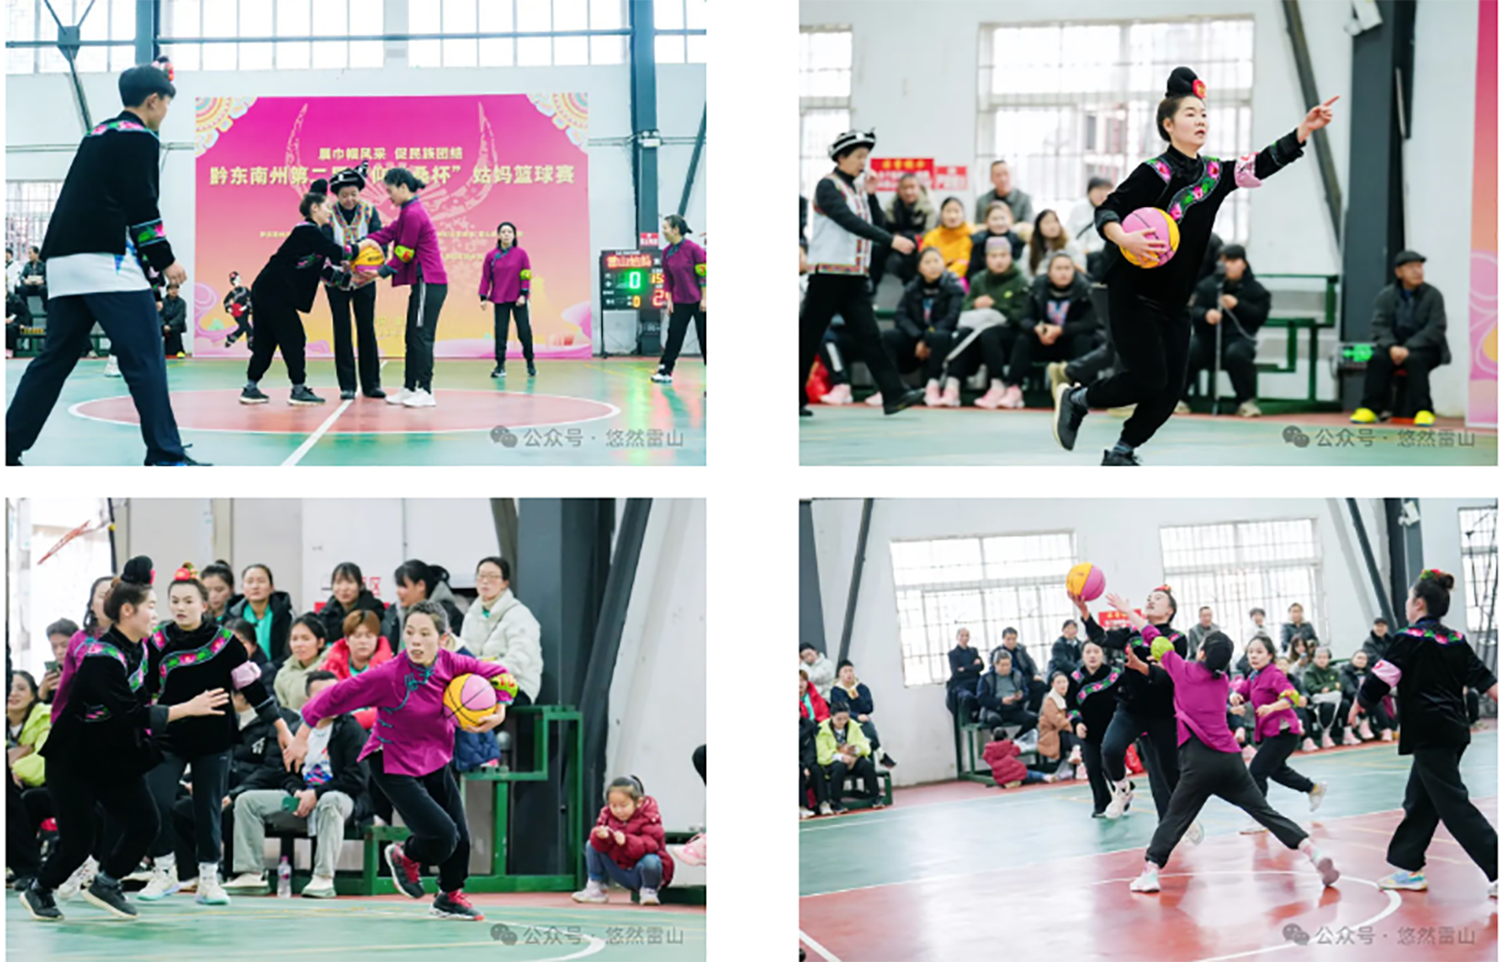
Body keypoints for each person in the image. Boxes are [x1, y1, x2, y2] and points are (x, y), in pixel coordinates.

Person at [1052, 66, 1335, 465]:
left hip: (1175, 302)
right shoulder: (1153, 173)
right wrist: (1123, 237)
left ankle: (1122, 451)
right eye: (1190, 113)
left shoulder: (1215, 174)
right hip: (1133, 294)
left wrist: (1302, 132)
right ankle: (1079, 399)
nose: (1201, 120)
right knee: (1148, 379)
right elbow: (1108, 209)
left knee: (1169, 391)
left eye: (1204, 114)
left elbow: (1259, 164)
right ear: (1168, 125)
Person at [5, 59, 203, 467]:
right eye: (167, 104)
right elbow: (142, 205)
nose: (166, 112)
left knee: (53, 360)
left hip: (62, 263)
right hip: (106, 261)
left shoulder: (95, 134)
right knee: (145, 359)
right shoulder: (141, 138)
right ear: (153, 100)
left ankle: (7, 445)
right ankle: (165, 453)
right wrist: (165, 260)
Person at [19, 558, 230, 923]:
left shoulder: (142, 649)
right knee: (79, 842)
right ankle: (40, 888)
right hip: (73, 760)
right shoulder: (100, 658)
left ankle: (106, 883)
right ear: (128, 610)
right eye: (152, 606)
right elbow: (132, 713)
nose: (157, 614)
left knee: (146, 822)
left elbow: (153, 693)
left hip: (113, 756)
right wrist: (188, 708)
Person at [283, 600, 516, 920]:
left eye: (424, 634)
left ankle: (449, 897)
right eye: (410, 632)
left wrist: (499, 711)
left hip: (435, 759)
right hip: (391, 761)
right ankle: (404, 855)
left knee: (460, 839)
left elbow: (502, 676)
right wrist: (302, 735)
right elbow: (336, 695)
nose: (415, 641)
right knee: (442, 835)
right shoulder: (390, 675)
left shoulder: (454, 664)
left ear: (443, 638)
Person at [1113, 616, 1342, 894]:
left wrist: (1127, 610)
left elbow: (1155, 638)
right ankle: (1313, 852)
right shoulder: (1222, 681)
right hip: (1231, 761)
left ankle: (1150, 873)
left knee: (1174, 817)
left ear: (1201, 653)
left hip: (1199, 762)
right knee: (1265, 812)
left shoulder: (1184, 671)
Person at [138, 568, 293, 905]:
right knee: (154, 799)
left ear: (204, 605)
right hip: (169, 737)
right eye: (175, 601)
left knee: (207, 807)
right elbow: (147, 690)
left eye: (188, 601)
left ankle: (209, 878)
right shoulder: (157, 642)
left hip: (214, 739)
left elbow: (253, 688)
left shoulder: (225, 643)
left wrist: (281, 727)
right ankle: (164, 870)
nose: (181, 607)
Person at [1350, 569, 1499, 896]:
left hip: (1430, 733)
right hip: (1453, 731)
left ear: (1418, 603)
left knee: (1453, 804)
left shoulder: (1408, 638)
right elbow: (1487, 681)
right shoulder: (1456, 640)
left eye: (1409, 599)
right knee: (1419, 799)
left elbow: (1382, 677)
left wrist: (1359, 703)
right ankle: (1409, 868)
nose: (1406, 604)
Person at [799, 129, 924, 417]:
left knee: (870, 335)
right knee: (809, 337)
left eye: (865, 157)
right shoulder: (827, 186)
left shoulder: (857, 191)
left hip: (854, 277)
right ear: (841, 158)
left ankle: (894, 394)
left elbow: (877, 223)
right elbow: (848, 222)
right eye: (858, 157)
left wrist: (872, 196)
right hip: (828, 276)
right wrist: (891, 241)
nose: (863, 163)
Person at [225, 671, 368, 899]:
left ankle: (323, 877)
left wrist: (316, 794)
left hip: (341, 802)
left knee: (330, 800)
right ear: (308, 700)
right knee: (247, 801)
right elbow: (286, 773)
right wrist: (297, 791)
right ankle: (251, 874)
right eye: (323, 695)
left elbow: (356, 779)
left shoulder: (350, 730)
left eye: (336, 693)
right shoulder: (297, 730)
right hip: (301, 800)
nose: (332, 699)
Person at [1076, 586, 1196, 832]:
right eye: (1149, 598)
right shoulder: (1131, 634)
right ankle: (1122, 789)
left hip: (1163, 715)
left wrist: (1148, 667)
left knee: (1168, 775)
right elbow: (1100, 638)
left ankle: (1178, 823)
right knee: (1110, 749)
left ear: (1170, 610)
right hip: (1130, 709)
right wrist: (1085, 612)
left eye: (1158, 598)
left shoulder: (1177, 639)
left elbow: (1171, 677)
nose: (1151, 600)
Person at [240, 179, 368, 406]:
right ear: (315, 208)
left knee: (266, 341)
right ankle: (298, 390)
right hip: (273, 293)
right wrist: (364, 248)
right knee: (294, 338)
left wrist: (351, 280)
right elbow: (336, 252)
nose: (330, 212)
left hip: (265, 290)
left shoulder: (312, 237)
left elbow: (323, 270)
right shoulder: (307, 231)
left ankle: (251, 387)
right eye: (326, 207)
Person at [355, 168, 447, 408]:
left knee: (422, 337)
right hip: (421, 284)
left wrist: (380, 272)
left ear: (403, 187)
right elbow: (388, 233)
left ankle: (425, 390)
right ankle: (409, 387)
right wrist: (361, 244)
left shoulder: (414, 214)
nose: (389, 196)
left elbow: (404, 252)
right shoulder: (408, 212)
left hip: (430, 282)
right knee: (411, 336)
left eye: (390, 191)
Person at [1232, 636, 1327, 834]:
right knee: (1276, 771)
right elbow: (1242, 692)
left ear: (1270, 655)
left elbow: (1293, 696)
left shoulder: (1274, 674)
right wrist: (1235, 698)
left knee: (1256, 771)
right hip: (1270, 732)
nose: (1254, 656)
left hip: (1284, 732)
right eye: (1251, 652)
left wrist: (1272, 707)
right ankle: (1313, 788)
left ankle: (1260, 817)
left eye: (1259, 652)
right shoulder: (1254, 675)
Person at [1351, 251, 1449, 427]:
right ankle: (1370, 408)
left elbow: (1436, 328)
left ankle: (1424, 410)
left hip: (1425, 348)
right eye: (1411, 267)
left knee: (1415, 360)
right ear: (1399, 272)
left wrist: (1409, 347)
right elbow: (1379, 326)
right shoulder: (1386, 296)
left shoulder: (1433, 295)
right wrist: (1392, 346)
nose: (1417, 271)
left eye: (1419, 267)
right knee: (1378, 359)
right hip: (1393, 348)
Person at [318, 161, 385, 399]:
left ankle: (372, 384)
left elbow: (380, 240)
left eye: (354, 194)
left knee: (366, 328)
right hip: (336, 280)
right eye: (344, 195)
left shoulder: (369, 211)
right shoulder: (328, 214)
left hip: (365, 279)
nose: (350, 199)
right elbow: (324, 245)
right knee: (342, 329)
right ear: (336, 195)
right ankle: (347, 385)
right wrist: (342, 262)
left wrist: (370, 264)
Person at [1182, 244, 1269, 417]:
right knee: (1189, 350)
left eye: (1233, 261)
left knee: (1237, 355)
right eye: (1224, 262)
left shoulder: (1256, 290)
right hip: (1208, 338)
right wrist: (1206, 315)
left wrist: (1238, 305)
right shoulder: (1207, 286)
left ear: (1244, 263)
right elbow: (1192, 310)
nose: (1228, 266)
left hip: (1239, 339)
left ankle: (1246, 401)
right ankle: (1179, 399)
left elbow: (1259, 316)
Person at [879, 248, 966, 407]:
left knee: (940, 336)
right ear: (919, 268)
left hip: (941, 340)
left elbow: (952, 318)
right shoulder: (912, 287)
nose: (933, 266)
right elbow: (901, 316)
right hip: (916, 338)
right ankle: (890, 387)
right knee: (888, 336)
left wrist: (926, 339)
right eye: (927, 262)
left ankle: (932, 386)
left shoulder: (954, 287)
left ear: (943, 264)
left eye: (936, 261)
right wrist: (919, 336)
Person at [1007, 253, 1099, 400]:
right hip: (1044, 339)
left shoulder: (1085, 289)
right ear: (1049, 272)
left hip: (1071, 340)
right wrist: (1037, 329)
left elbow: (1091, 323)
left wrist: (1062, 330)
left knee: (1084, 339)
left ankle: (1082, 390)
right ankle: (1014, 388)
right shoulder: (1037, 287)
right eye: (1058, 268)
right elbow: (1024, 318)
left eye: (1067, 268)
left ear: (1074, 270)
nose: (1063, 273)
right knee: (1023, 339)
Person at [572, 775, 675, 905]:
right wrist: (604, 838)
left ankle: (649, 890)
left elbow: (651, 845)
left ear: (638, 802)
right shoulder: (607, 815)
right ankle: (596, 887)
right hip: (620, 868)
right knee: (592, 845)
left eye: (624, 805)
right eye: (614, 806)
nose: (618, 810)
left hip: (641, 871)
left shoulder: (650, 818)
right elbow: (598, 837)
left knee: (651, 861)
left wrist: (626, 841)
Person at [957, 238, 1030, 409]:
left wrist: (995, 306)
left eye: (1003, 255)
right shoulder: (978, 279)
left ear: (1011, 256)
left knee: (990, 335)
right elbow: (964, 306)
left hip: (1011, 332)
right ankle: (952, 384)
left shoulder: (1020, 280)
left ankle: (1000, 384)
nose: (999, 260)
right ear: (986, 258)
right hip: (980, 331)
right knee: (963, 335)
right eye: (994, 256)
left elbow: (1021, 314)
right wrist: (975, 304)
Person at [459, 557, 543, 707]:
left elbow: (519, 661)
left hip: (516, 685)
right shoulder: (471, 615)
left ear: (504, 583)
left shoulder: (519, 614)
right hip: (479, 683)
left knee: (473, 699)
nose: (485, 581)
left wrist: (484, 670)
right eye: (481, 576)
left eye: (492, 577)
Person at [1065, 639, 1123, 817]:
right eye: (1088, 652)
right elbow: (1071, 705)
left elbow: (1125, 699)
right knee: (1092, 767)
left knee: (1109, 766)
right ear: (1082, 655)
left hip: (1112, 727)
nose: (1092, 656)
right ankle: (1101, 805)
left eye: (1096, 652)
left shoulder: (1114, 675)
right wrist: (1077, 723)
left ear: (1102, 654)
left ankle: (1122, 796)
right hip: (1088, 731)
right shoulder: (1075, 678)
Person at [653, 215, 707, 386]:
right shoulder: (667, 253)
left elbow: (704, 275)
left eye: (665, 228)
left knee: (706, 338)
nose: (663, 231)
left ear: (675, 230)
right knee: (674, 336)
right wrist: (669, 300)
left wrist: (705, 298)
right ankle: (665, 370)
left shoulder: (694, 250)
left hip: (700, 301)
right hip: (680, 301)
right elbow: (668, 279)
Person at [480, 221, 535, 380]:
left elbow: (526, 275)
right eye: (503, 232)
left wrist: (523, 294)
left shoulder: (521, 254)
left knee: (524, 332)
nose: (506, 235)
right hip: (500, 299)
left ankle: (530, 362)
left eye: (509, 232)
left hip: (519, 299)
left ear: (514, 235)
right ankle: (500, 366)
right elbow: (486, 278)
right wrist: (483, 297)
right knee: (500, 333)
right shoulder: (491, 256)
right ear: (498, 235)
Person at [323, 611, 395, 730]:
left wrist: (352, 720)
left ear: (377, 639)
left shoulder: (391, 669)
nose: (363, 641)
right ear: (347, 639)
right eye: (357, 636)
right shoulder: (330, 667)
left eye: (369, 636)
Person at [828, 659, 896, 769]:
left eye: (850, 670)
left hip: (862, 720)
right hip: (843, 721)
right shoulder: (835, 691)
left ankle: (872, 758)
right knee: (864, 725)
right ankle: (880, 752)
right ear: (839, 674)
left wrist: (858, 698)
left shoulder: (862, 688)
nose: (849, 674)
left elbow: (869, 708)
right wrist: (856, 716)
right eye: (845, 671)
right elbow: (838, 709)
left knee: (866, 723)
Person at [382, 560, 464, 648]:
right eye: (398, 586)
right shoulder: (392, 615)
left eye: (403, 586)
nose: (398, 591)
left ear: (421, 585)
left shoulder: (447, 616)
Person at [225, 564, 295, 666]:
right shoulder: (232, 615)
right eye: (249, 582)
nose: (255, 586)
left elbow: (288, 652)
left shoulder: (285, 615)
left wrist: (270, 668)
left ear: (272, 587)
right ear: (243, 588)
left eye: (261, 581)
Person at [814, 707, 879, 813]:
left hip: (853, 759)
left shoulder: (854, 726)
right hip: (832, 761)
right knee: (839, 768)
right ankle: (836, 802)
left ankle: (875, 796)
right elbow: (822, 754)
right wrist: (840, 756)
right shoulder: (822, 729)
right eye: (839, 719)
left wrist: (855, 751)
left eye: (845, 718)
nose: (842, 722)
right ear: (831, 716)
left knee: (866, 765)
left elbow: (865, 745)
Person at [883, 173, 934, 285]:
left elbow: (930, 233)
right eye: (905, 188)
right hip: (898, 246)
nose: (909, 192)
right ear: (898, 189)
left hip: (921, 246)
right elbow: (888, 231)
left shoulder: (929, 208)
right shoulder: (891, 207)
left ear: (919, 188)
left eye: (912, 187)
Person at [274, 616, 332, 713]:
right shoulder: (283, 674)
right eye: (294, 639)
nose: (299, 644)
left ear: (320, 642)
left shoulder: (332, 666)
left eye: (306, 639)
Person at [317, 562, 386, 642]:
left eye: (350, 582)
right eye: (338, 583)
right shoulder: (326, 613)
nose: (344, 588)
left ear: (360, 585)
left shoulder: (374, 611)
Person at [978, 651, 1037, 734]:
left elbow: (1026, 693)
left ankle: (1017, 739)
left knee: (1032, 718)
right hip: (996, 709)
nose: (1006, 668)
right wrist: (1001, 701)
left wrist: (1021, 696)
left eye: (1008, 665)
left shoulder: (1017, 675)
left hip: (1014, 708)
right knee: (994, 721)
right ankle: (1000, 741)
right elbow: (982, 699)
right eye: (1002, 665)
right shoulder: (986, 678)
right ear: (995, 664)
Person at [1303, 646, 1351, 748]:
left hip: (1334, 697)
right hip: (1317, 701)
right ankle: (1325, 734)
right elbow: (1312, 687)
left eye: (1324, 657)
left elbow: (1340, 685)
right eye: (1319, 657)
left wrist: (1327, 688)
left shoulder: (1334, 671)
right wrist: (1330, 687)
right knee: (1328, 707)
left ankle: (1347, 733)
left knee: (1345, 704)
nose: (1322, 660)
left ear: (1329, 659)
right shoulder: (1309, 672)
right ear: (1314, 658)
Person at [1037, 672, 1083, 778]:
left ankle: (1080, 760)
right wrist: (1076, 726)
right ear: (1052, 684)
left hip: (1068, 730)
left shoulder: (1072, 696)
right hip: (1053, 733)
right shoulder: (1049, 701)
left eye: (1064, 682)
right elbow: (1058, 721)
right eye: (1059, 682)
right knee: (1073, 732)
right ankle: (1077, 753)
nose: (1062, 685)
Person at [1342, 649, 1394, 742]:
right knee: (1356, 701)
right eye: (1359, 658)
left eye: (1364, 659)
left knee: (1377, 701)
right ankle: (1363, 724)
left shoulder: (1370, 671)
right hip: (1351, 698)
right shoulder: (1346, 672)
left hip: (1366, 696)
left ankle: (1386, 729)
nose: (1361, 661)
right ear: (1352, 659)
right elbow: (1348, 688)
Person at [966, 201, 1025, 282]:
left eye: (1003, 218)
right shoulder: (978, 242)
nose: (999, 223)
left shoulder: (1018, 242)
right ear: (986, 221)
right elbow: (973, 272)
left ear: (1010, 219)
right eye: (995, 219)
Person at [1066, 177, 1112, 278]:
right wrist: (1078, 249)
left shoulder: (1111, 211)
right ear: (1089, 191)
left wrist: (1090, 249)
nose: (1102, 194)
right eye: (1098, 190)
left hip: (1098, 255)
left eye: (1106, 190)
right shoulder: (1078, 208)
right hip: (1076, 252)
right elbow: (1069, 232)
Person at [1020, 209, 1086, 280]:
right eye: (1047, 223)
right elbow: (1025, 274)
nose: (1052, 226)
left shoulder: (1070, 245)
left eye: (1055, 221)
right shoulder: (1030, 248)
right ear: (1038, 227)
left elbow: (1081, 270)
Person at [919, 197, 976, 279]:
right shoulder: (932, 236)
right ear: (941, 214)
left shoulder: (972, 234)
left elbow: (964, 263)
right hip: (933, 277)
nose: (952, 216)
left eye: (956, 211)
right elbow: (925, 261)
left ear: (963, 214)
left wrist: (946, 275)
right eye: (948, 211)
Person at [996, 627, 1046, 711]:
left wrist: (1036, 674)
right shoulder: (997, 653)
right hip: (1009, 679)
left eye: (1014, 639)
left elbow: (1031, 663)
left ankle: (1033, 710)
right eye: (1008, 639)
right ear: (1003, 639)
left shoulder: (1021, 649)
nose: (1011, 642)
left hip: (1024, 677)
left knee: (1040, 686)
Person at [975, 160, 1033, 225]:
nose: (1003, 179)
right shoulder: (983, 201)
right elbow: (979, 226)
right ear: (991, 179)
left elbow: (1028, 226)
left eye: (1006, 174)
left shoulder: (1024, 199)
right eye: (998, 175)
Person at [947, 627, 984, 722]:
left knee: (984, 695)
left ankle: (980, 717)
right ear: (957, 637)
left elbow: (981, 667)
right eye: (962, 635)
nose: (964, 638)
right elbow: (956, 673)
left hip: (976, 682)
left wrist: (965, 668)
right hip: (961, 685)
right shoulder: (953, 654)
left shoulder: (973, 651)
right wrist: (972, 667)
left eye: (967, 635)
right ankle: (967, 720)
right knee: (967, 697)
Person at [37, 620, 77, 704]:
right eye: (54, 647)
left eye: (64, 646)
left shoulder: (89, 669)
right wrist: (42, 693)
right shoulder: (53, 674)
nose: (59, 651)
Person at [799, 714, 827, 818]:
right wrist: (802, 766)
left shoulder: (809, 726)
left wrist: (808, 765)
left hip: (807, 759)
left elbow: (811, 749)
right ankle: (801, 806)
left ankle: (823, 803)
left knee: (816, 769)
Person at [221, 272, 253, 348]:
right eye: (237, 279)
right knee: (246, 327)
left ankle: (231, 339)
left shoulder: (245, 290)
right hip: (237, 313)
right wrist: (229, 308)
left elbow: (252, 298)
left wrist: (246, 306)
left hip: (245, 311)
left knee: (244, 327)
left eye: (239, 279)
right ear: (233, 282)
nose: (239, 280)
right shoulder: (232, 293)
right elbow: (226, 301)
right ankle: (250, 342)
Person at [159, 283, 186, 357]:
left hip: (175, 325)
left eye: (176, 289)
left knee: (175, 330)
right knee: (156, 330)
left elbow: (181, 316)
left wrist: (170, 325)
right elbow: (159, 315)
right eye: (172, 289)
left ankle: (179, 351)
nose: (174, 291)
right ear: (167, 291)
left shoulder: (182, 302)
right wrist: (164, 325)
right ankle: (160, 351)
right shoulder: (162, 302)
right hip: (163, 324)